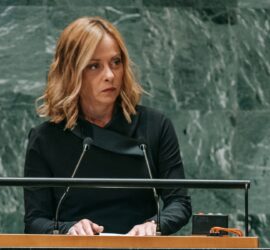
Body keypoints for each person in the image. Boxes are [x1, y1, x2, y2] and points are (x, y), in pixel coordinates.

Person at [24, 16, 191, 236]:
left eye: (116, 62)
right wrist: (68, 228)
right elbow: (35, 221)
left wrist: (154, 224)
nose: (110, 75)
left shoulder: (156, 125)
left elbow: (179, 202)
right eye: (94, 66)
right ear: (72, 72)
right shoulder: (45, 138)